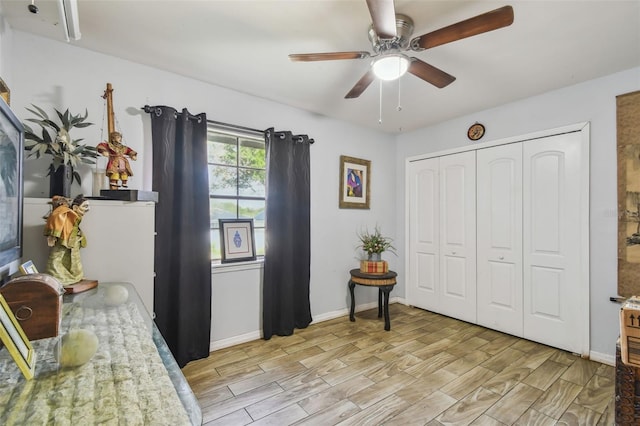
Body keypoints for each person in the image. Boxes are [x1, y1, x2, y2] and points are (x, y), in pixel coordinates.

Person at [44, 194, 89, 285]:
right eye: (85, 206)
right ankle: (55, 276)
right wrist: (53, 236)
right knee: (56, 257)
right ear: (76, 207)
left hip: (73, 239)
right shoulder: (63, 213)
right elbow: (56, 222)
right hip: (63, 239)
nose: (87, 209)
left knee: (74, 258)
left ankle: (76, 276)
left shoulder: (73, 214)